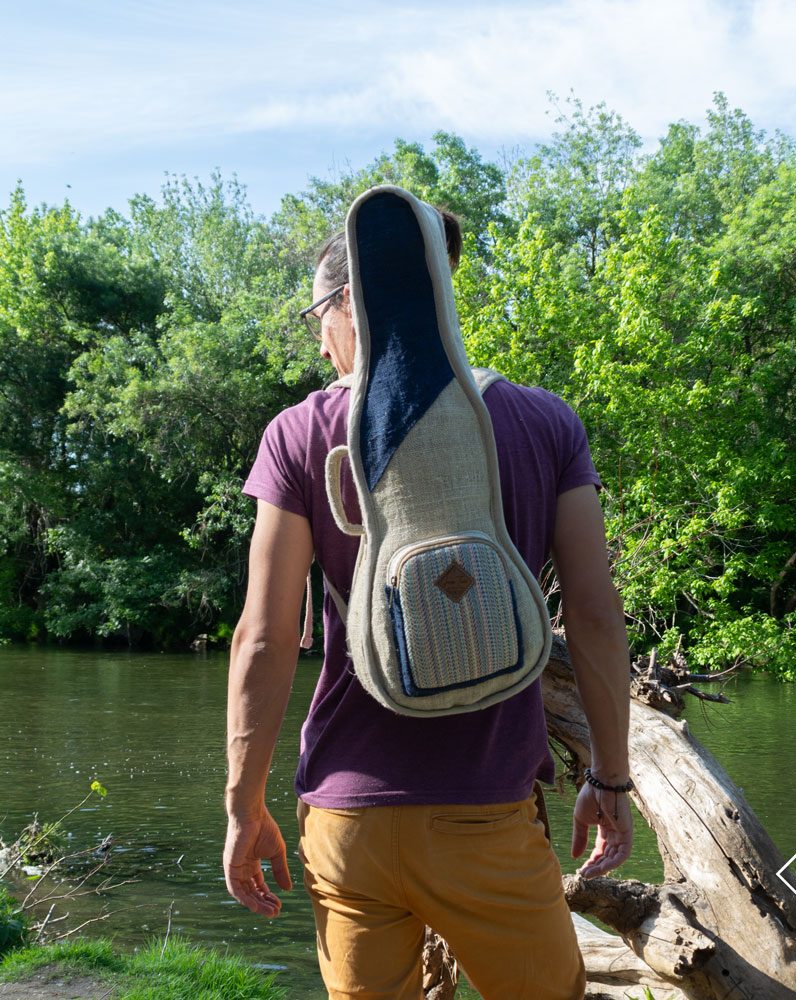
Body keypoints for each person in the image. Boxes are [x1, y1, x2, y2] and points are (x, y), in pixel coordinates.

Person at [223, 204, 634, 1000]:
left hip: (348, 821)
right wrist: (610, 780)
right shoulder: (543, 421)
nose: (317, 340)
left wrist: (243, 806)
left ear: (355, 302)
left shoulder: (301, 433)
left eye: (317, 315)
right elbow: (592, 614)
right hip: (488, 815)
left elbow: (264, 640)